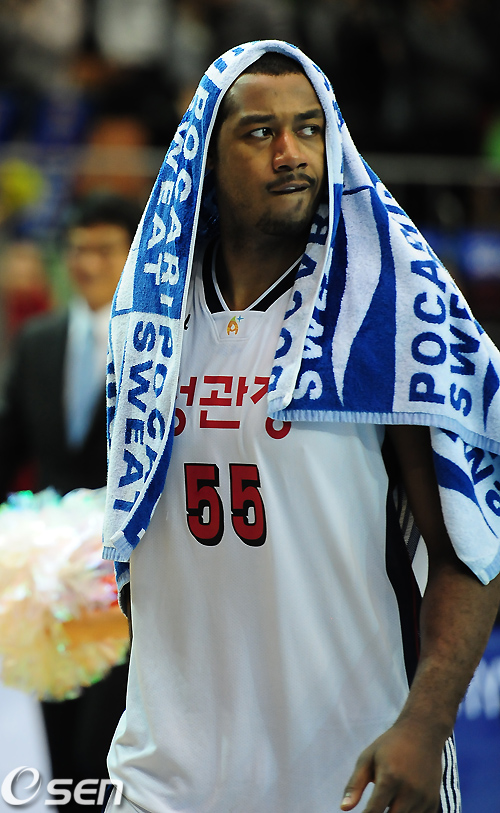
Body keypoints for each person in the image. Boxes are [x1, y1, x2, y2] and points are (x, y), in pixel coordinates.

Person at [102, 42, 500, 812]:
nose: (291, 153)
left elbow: (472, 546)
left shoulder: (385, 313)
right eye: (260, 132)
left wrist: (426, 723)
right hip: (163, 780)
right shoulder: (148, 323)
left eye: (310, 129)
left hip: (352, 776)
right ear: (205, 159)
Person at [0, 192, 141, 811]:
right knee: (59, 751)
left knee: (102, 749)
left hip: (128, 580)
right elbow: (11, 443)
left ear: (132, 255)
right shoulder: (38, 341)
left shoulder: (157, 347)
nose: (88, 263)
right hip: (50, 585)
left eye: (104, 250)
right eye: (78, 250)